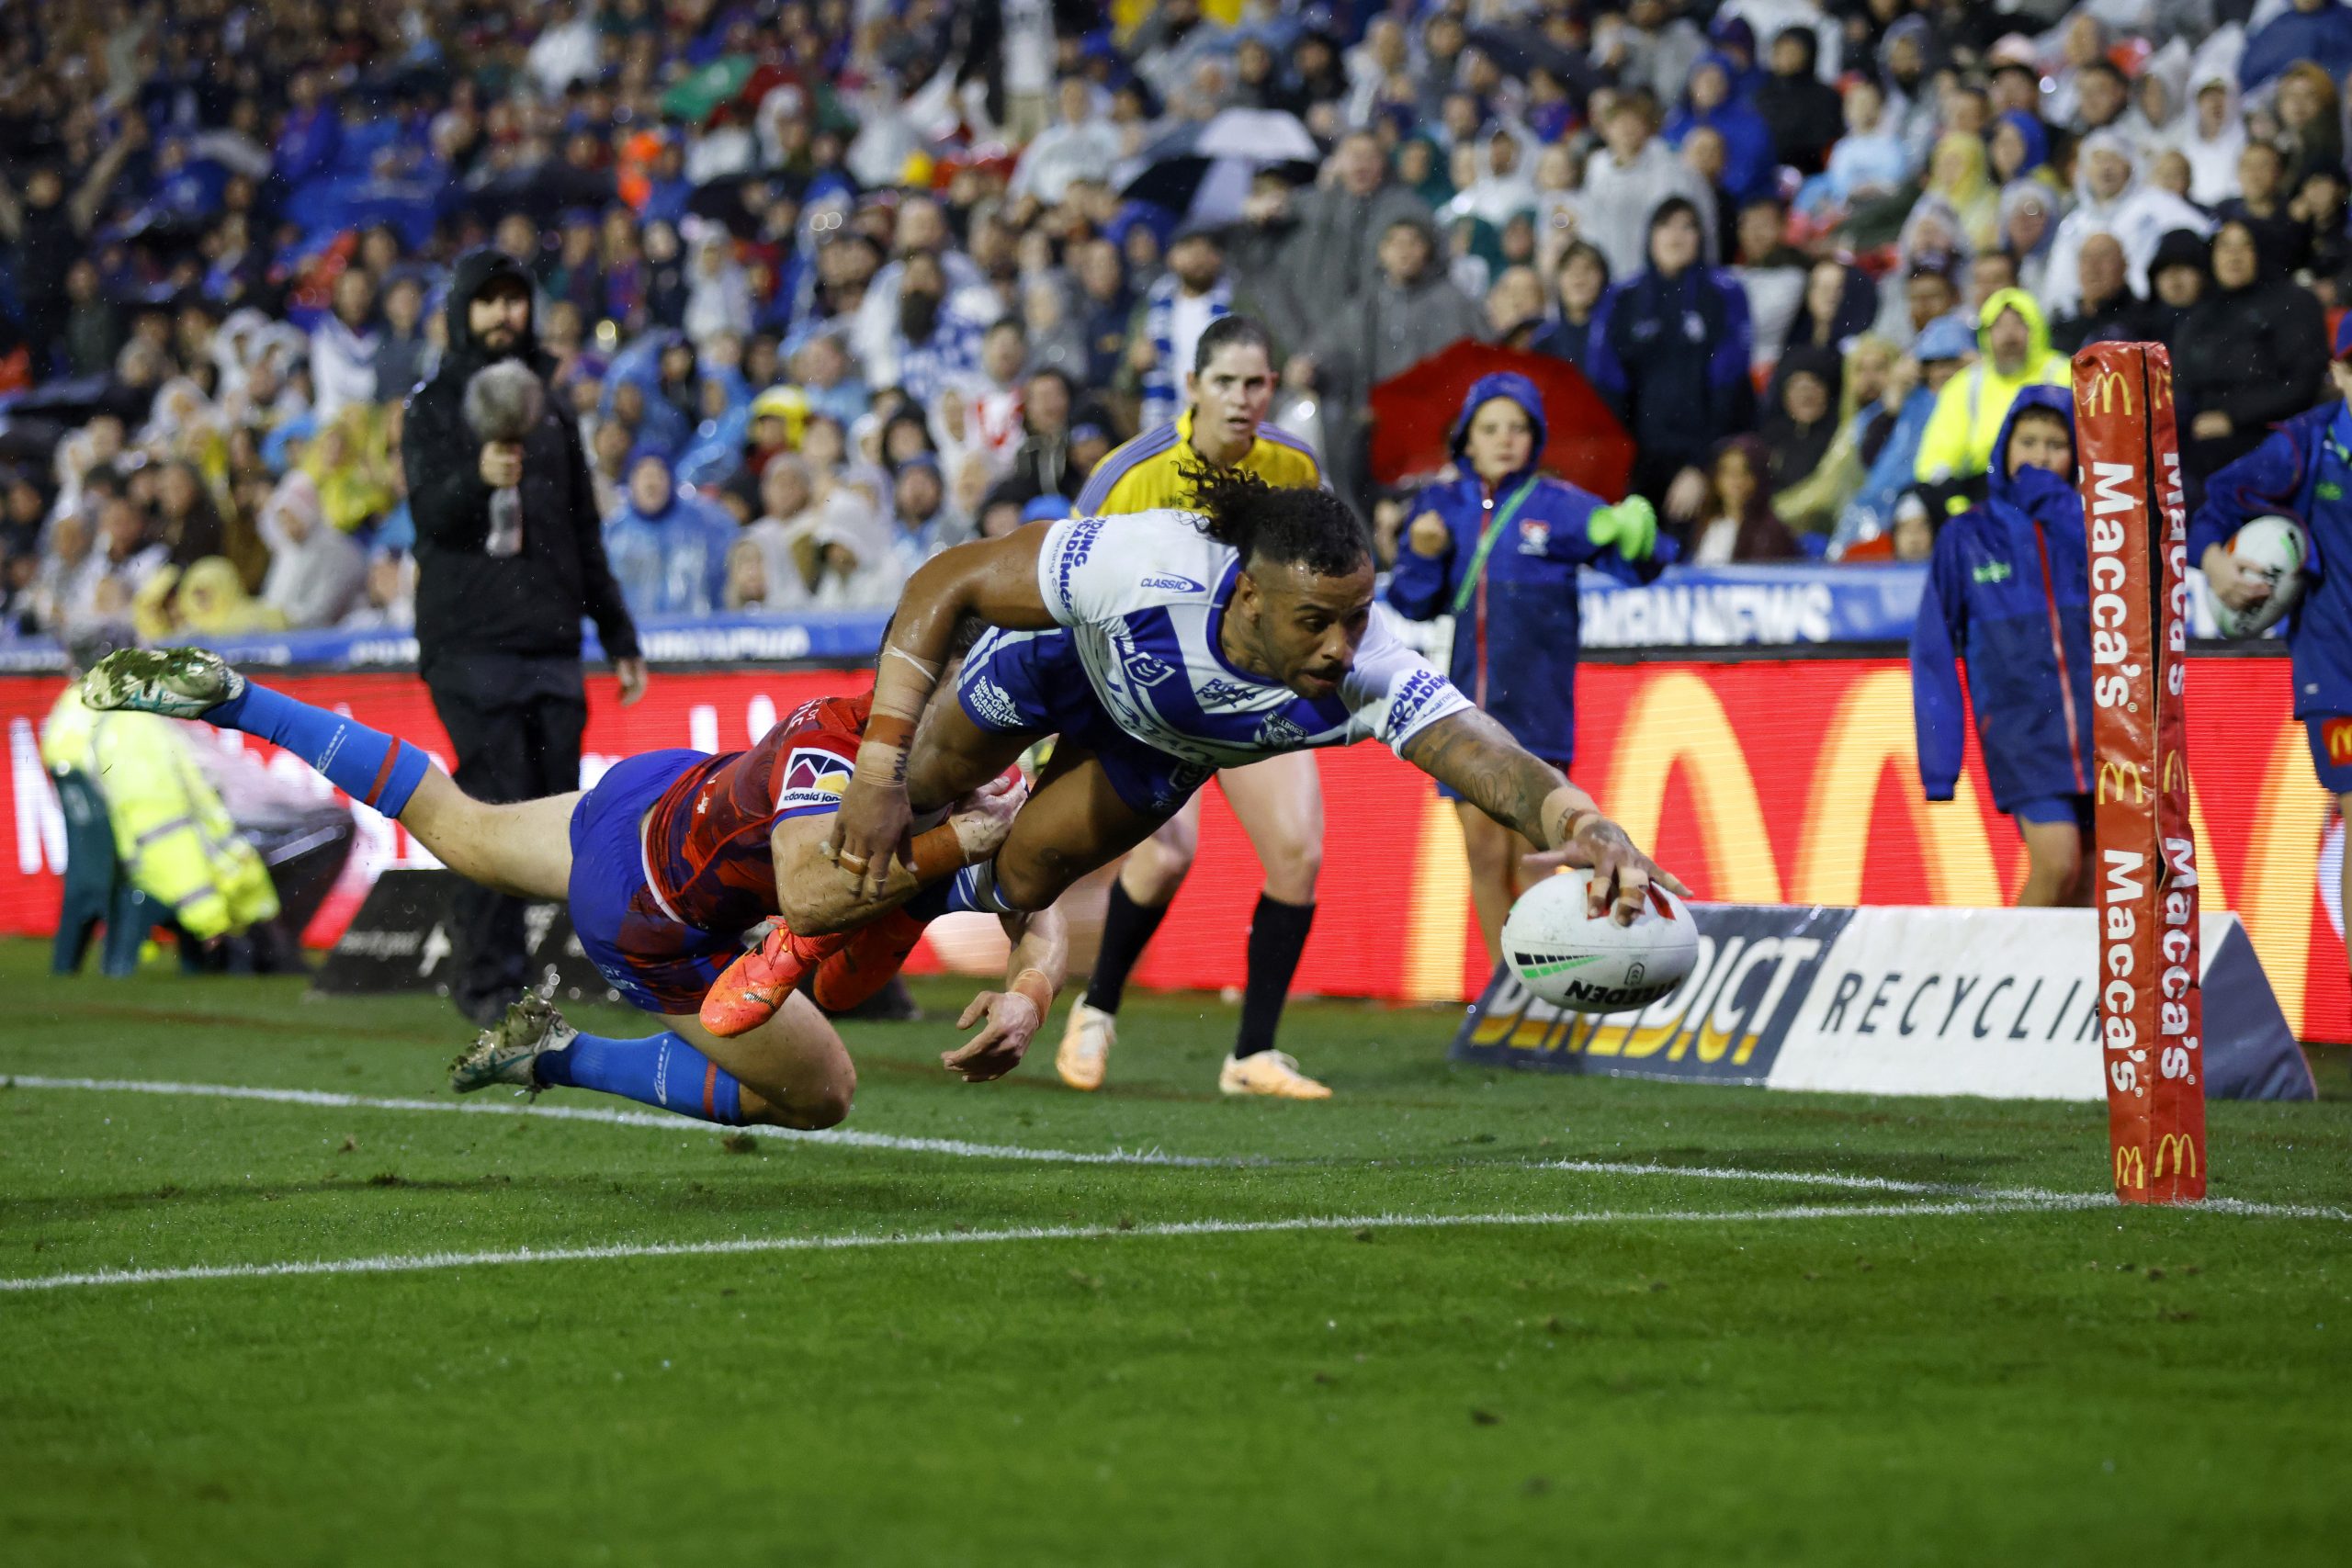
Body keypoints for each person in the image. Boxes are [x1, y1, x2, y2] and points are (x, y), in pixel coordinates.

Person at [814, 468, 1682, 1100]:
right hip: (1061, 663)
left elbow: (1484, 752)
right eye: (1316, 621)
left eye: (1356, 616)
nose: (1342, 645)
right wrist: (880, 767)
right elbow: (946, 578)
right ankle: (795, 851)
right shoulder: (1152, 558)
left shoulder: (1363, 668)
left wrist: (1587, 820)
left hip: (1158, 751)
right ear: (1248, 599)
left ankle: (900, 906)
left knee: (1022, 879)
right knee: (915, 781)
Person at [77, 636, 1066, 1125]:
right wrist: (955, 853)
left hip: (656, 793)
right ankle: (560, 1053)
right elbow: (811, 896)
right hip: (648, 910)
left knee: (457, 826)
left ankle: (241, 698)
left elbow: (1037, 886)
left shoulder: (964, 767)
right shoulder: (838, 752)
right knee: (819, 1095)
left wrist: (1030, 988)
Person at [1059, 315, 1332, 1098]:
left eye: (1257, 383)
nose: (1242, 399)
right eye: (1225, 383)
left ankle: (1252, 1054)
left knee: (1298, 853)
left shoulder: (1296, 465)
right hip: (1149, 692)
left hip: (1250, 690)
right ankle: (1099, 1005)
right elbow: (1063, 585)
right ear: (1192, 388)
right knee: (1167, 852)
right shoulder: (1130, 473)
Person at [401, 246, 647, 1028]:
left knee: (552, 818)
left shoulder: (555, 408)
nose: (505, 315)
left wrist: (617, 632)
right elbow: (430, 520)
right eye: (489, 302)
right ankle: (487, 983)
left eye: (515, 300)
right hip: (469, 644)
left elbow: (582, 531)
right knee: (493, 807)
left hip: (549, 645)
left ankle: (532, 974)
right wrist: (479, 475)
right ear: (462, 313)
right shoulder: (432, 406)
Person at [1387, 374, 1665, 966]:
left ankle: (1546, 984)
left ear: (1534, 439)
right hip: (1461, 718)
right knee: (1484, 856)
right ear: (1467, 441)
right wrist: (1423, 554)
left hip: (1537, 715)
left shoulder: (1558, 505)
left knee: (1535, 860)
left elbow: (1638, 564)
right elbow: (1413, 602)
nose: (1505, 439)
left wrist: (1639, 534)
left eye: (1518, 428)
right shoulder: (1438, 508)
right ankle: (1503, 991)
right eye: (1491, 428)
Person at [2194, 314, 2352, 983]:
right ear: (2341, 373)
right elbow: (2214, 504)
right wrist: (2214, 564)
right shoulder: (2306, 446)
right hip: (2338, 668)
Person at [1912, 389, 2093, 907]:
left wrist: (2064, 510)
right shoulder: (1966, 535)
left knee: (2096, 886)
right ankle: (2012, 978)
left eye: (2056, 445)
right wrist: (1939, 763)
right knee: (2057, 864)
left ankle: (2079, 991)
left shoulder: (2096, 528)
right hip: (2022, 733)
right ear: (2003, 449)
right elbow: (1933, 651)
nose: (2039, 457)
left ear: (2077, 455)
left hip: (2102, 733)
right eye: (2028, 442)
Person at [1586, 197, 1755, 515]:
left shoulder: (1725, 294)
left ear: (1701, 237)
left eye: (1687, 226)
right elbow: (1608, 389)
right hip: (1639, 467)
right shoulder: (1623, 298)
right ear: (1650, 235)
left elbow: (1729, 390)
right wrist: (1623, 471)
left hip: (1704, 463)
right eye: (1665, 225)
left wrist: (1701, 466)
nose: (1675, 236)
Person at [2171, 220, 2329, 487]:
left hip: (2275, 437)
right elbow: (2182, 389)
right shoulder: (2197, 316)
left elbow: (2302, 384)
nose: (2234, 256)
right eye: (2225, 247)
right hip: (2203, 441)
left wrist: (2233, 417)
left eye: (2244, 246)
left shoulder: (2294, 302)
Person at [1913, 288, 2071, 494]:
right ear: (1985, 335)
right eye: (1998, 326)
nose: (2009, 335)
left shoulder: (2064, 373)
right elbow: (1937, 455)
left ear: (2037, 329)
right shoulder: (1966, 384)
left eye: (2019, 324)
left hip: (2054, 483)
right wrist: (1950, 502)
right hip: (1980, 492)